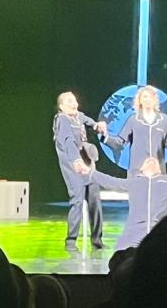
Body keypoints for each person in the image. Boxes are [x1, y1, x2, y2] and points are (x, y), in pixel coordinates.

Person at [74, 156, 167, 250]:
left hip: (160, 232)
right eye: (148, 161)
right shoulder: (134, 182)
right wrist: (89, 172)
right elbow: (109, 181)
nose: (152, 160)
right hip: (134, 232)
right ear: (141, 169)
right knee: (120, 257)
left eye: (155, 161)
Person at [53, 91, 108, 251]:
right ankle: (71, 241)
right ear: (61, 106)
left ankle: (97, 240)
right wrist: (76, 160)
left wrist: (98, 126)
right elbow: (67, 141)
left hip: (88, 165)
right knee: (77, 201)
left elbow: (90, 122)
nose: (74, 104)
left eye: (75, 101)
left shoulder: (79, 116)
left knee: (95, 201)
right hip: (73, 167)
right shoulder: (62, 119)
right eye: (70, 101)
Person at [102, 85, 167, 174]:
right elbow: (120, 143)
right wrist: (105, 136)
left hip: (158, 172)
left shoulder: (164, 119)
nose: (148, 99)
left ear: (155, 99)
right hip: (137, 172)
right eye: (145, 96)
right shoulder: (133, 120)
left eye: (150, 96)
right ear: (140, 100)